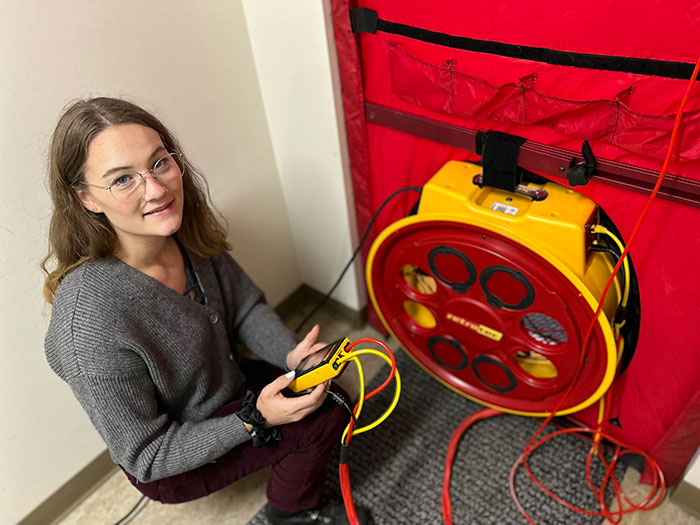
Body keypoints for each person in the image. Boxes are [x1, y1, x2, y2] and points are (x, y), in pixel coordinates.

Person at [42, 97, 369, 525]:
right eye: (122, 179)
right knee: (322, 418)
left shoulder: (181, 231)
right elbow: (149, 455)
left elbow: (245, 307)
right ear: (85, 198)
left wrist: (290, 356)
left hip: (225, 385)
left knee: (332, 396)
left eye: (159, 163)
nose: (157, 190)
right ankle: (287, 515)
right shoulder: (88, 323)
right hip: (171, 458)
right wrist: (253, 420)